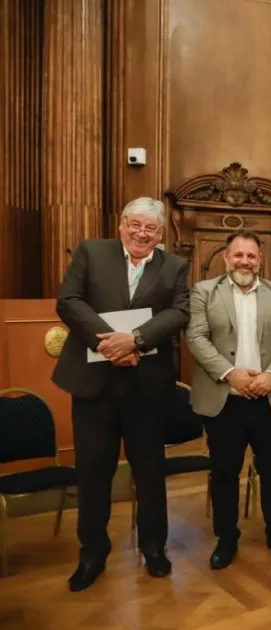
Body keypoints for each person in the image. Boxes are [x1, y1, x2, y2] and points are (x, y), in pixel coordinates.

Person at [52, 197, 189, 592]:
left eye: (151, 229)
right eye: (136, 225)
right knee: (94, 472)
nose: (142, 233)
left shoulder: (175, 266)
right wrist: (109, 344)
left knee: (149, 473)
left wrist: (136, 341)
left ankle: (154, 549)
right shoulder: (91, 252)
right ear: (122, 224)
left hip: (146, 387)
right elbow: (69, 301)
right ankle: (92, 553)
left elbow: (180, 312)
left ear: (161, 234)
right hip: (94, 386)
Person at [186, 229, 271, 569]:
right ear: (226, 257)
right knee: (224, 471)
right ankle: (226, 538)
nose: (245, 261)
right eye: (238, 255)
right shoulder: (204, 292)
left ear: (260, 260)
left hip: (270, 398)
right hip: (225, 400)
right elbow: (196, 337)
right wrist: (230, 373)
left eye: (251, 256)